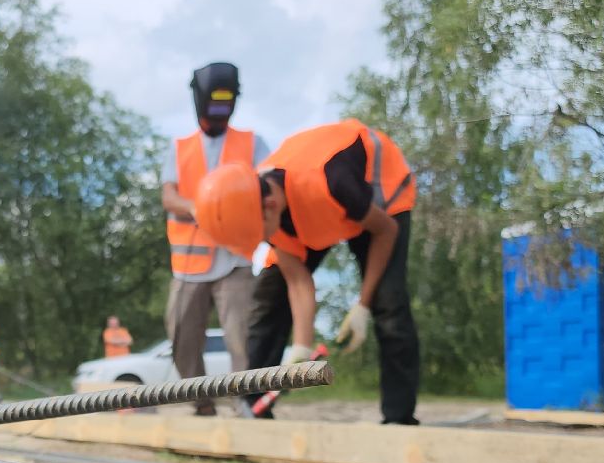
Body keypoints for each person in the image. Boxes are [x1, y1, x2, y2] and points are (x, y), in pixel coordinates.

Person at [193, 118, 420, 424]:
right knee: (269, 298)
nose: (263, 241)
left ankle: (398, 420)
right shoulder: (252, 200)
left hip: (379, 203)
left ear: (270, 206)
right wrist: (302, 344)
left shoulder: (334, 181)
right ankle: (253, 407)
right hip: (312, 214)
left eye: (261, 234)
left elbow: (386, 230)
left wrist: (362, 306)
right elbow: (298, 281)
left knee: (388, 303)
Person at [160, 62, 271, 415]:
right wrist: (200, 207)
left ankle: (245, 404)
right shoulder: (179, 148)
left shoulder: (253, 144)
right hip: (189, 264)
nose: (218, 111)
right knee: (181, 336)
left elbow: (268, 187)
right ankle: (201, 403)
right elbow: (168, 197)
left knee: (241, 336)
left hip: (235, 259)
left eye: (226, 103)